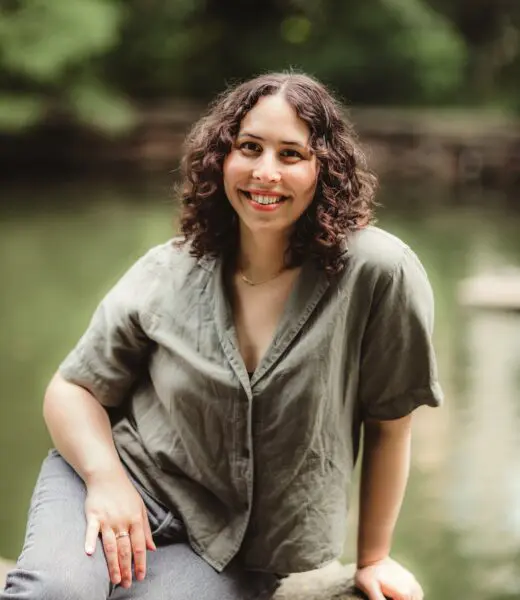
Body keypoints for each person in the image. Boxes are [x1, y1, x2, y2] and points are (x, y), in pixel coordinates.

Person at [1, 71, 443, 600]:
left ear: (325, 169)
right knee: (56, 593)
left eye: (291, 154)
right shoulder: (169, 269)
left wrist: (374, 559)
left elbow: (391, 424)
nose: (265, 172)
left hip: (232, 548)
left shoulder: (377, 271)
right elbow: (72, 389)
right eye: (249, 148)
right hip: (121, 479)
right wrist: (106, 480)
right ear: (221, 158)